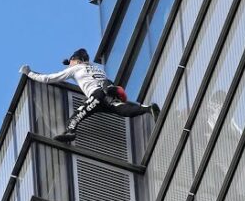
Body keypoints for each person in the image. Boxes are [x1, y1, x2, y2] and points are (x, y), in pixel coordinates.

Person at [20, 48, 160, 142]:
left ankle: (70, 132)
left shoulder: (76, 68)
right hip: (107, 95)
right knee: (121, 109)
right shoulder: (98, 69)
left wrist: (29, 73)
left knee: (76, 116)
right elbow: (107, 82)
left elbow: (48, 78)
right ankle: (148, 109)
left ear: (76, 60)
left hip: (97, 95)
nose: (69, 65)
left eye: (71, 61)